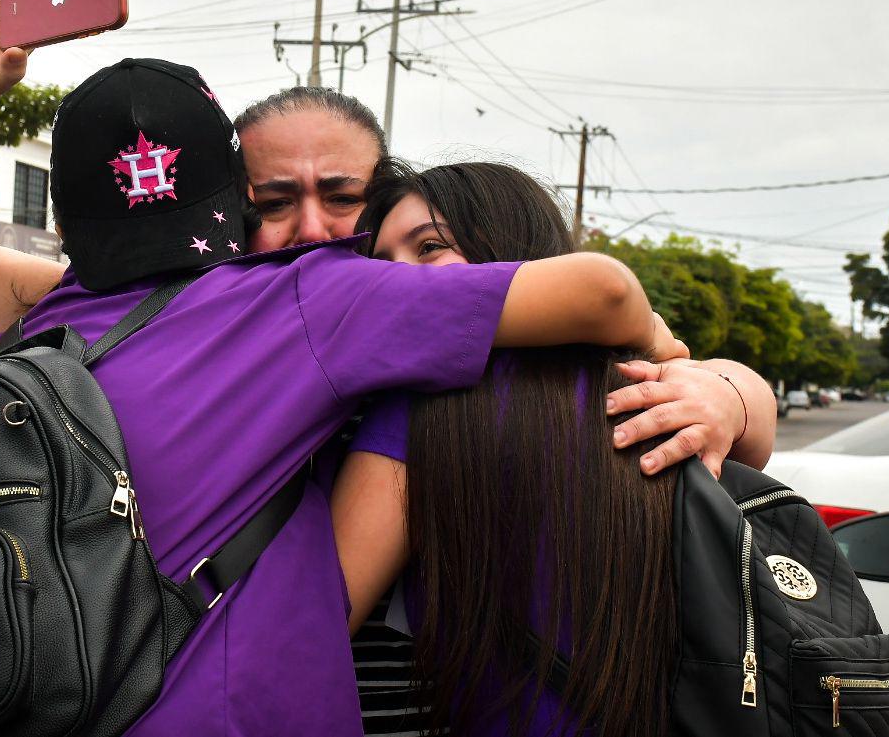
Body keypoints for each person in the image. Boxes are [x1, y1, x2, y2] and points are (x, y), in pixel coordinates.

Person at [0, 0, 761, 480]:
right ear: (230, 217)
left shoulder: (450, 313)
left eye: (342, 196)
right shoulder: (224, 317)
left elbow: (713, 406)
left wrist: (720, 392)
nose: (311, 229)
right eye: (274, 202)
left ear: (386, 196)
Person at [332, 160, 778, 737]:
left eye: (429, 248)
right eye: (383, 265)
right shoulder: (650, 398)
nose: (398, 282)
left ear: (510, 247)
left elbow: (319, 625)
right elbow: (754, 446)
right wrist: (735, 393)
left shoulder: (414, 416)